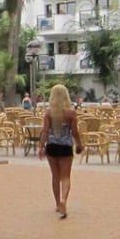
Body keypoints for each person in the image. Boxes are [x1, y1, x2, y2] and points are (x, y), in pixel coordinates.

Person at [38, 84, 83, 219]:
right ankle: (64, 199)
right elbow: (74, 132)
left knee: (55, 176)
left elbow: (45, 131)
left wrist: (41, 146)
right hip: (66, 146)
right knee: (65, 177)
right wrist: (79, 144)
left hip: (52, 146)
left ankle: (58, 203)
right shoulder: (71, 113)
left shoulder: (48, 113)